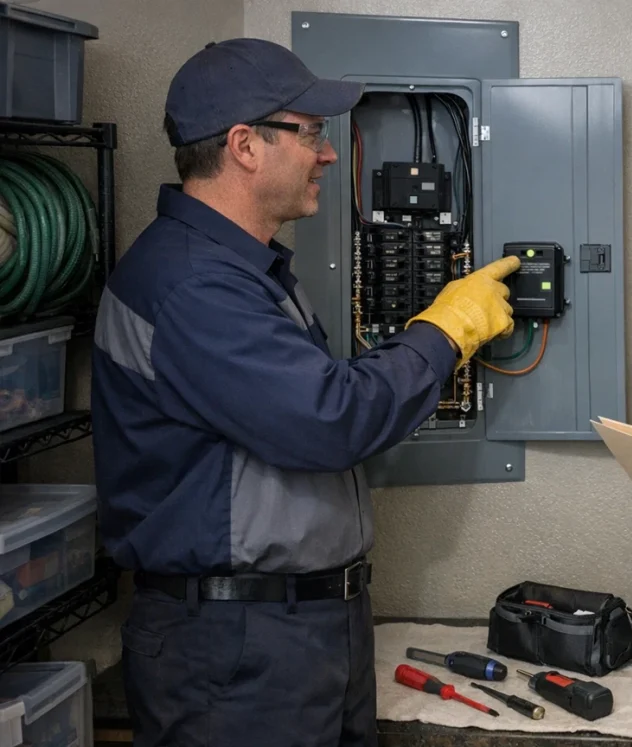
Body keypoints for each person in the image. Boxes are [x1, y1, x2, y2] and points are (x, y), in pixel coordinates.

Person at [91, 38, 519, 747]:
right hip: (236, 654)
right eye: (312, 133)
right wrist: (444, 331)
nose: (326, 154)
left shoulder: (243, 274)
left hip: (296, 637)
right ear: (244, 146)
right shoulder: (194, 286)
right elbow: (333, 416)